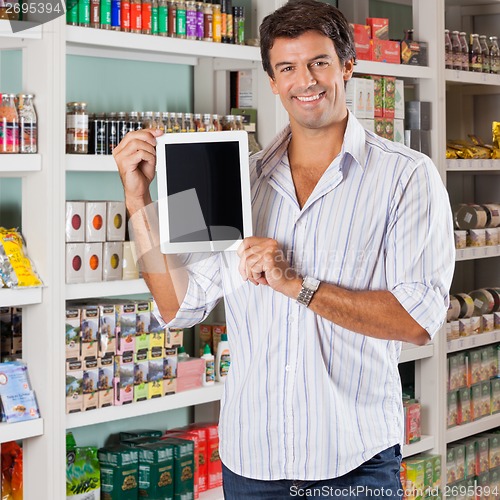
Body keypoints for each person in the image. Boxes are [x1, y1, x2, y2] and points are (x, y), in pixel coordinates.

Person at [113, 1, 455, 497]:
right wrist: (136, 199)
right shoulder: (235, 178)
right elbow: (176, 304)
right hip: (252, 463)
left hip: (354, 462)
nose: (306, 81)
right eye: (287, 68)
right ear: (273, 83)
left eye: (319, 62)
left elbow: (417, 321)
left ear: (348, 67)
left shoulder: (406, 177)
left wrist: (298, 286)